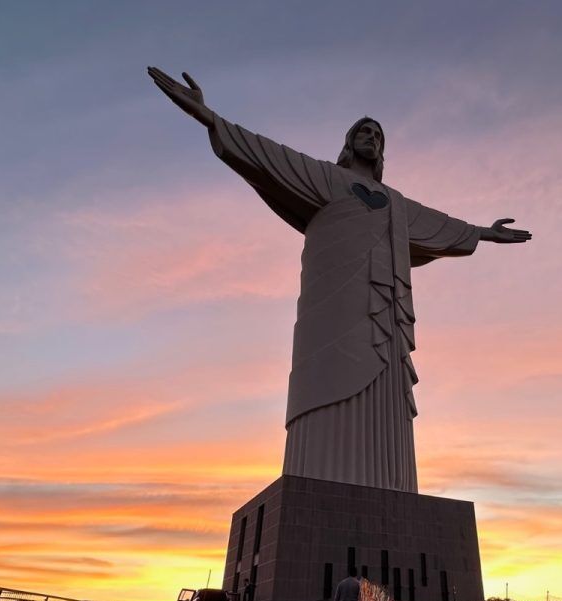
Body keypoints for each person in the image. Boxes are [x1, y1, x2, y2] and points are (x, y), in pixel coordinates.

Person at [147, 68, 532, 494]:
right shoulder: (327, 178)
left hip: (383, 319)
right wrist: (209, 116)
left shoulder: (396, 203)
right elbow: (267, 155)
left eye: (379, 136)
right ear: (349, 142)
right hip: (329, 312)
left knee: (385, 405)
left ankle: (392, 492)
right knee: (325, 386)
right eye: (364, 132)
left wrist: (482, 232)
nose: (372, 138)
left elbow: (437, 223)